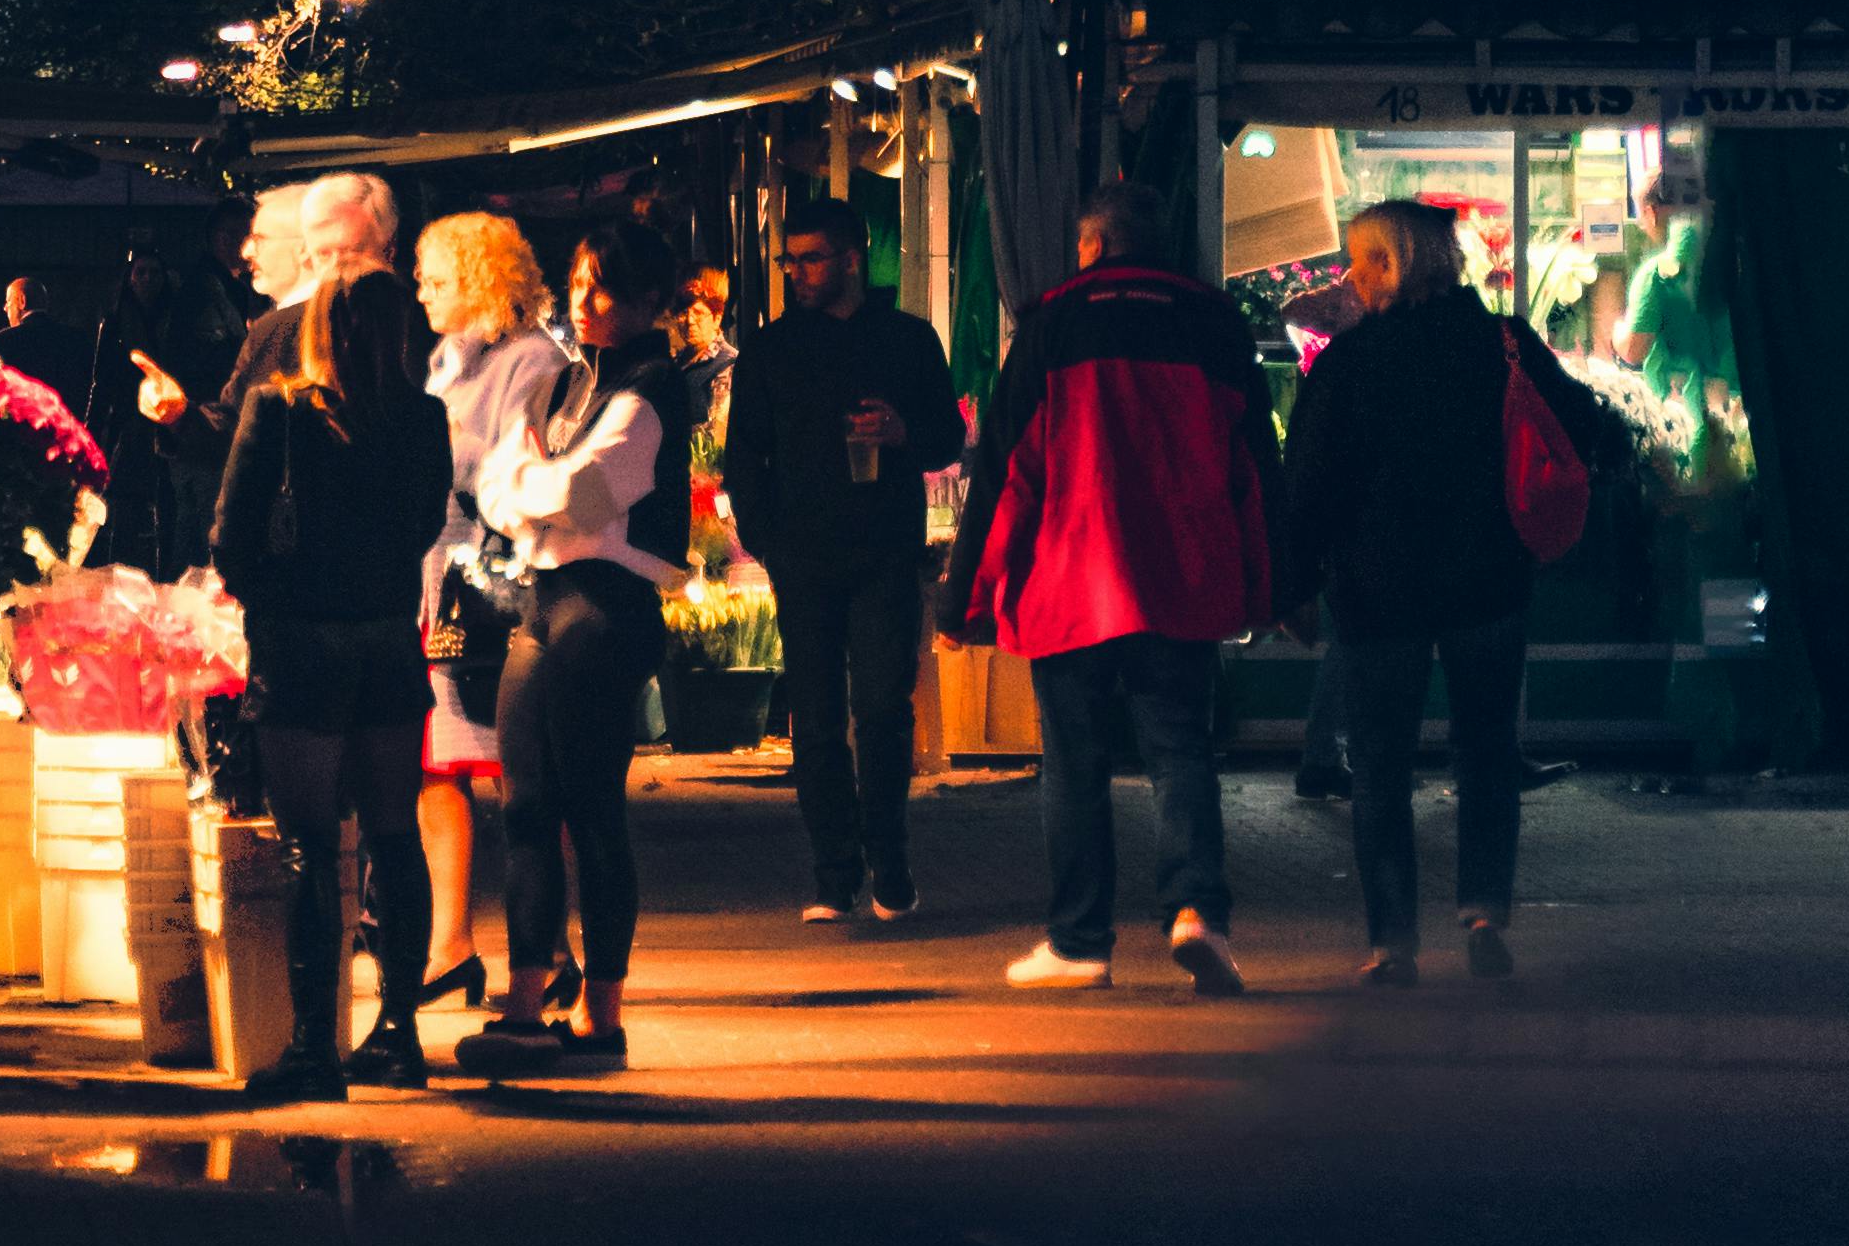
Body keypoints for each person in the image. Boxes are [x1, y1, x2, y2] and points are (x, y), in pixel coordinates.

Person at [946, 174, 1279, 1000]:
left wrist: (964, 597)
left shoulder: (1052, 321)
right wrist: (1273, 584)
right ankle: (1199, 912)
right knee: (1179, 751)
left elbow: (1005, 473)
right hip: (1181, 576)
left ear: (1090, 245)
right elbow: (1254, 466)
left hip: (1072, 578)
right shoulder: (1211, 321)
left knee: (1075, 762)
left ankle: (1079, 940)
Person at [1279, 194, 1584, 981]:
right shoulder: (1503, 344)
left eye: (1358, 258)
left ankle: (1392, 941)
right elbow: (1584, 429)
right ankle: (1483, 910)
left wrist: (1290, 584)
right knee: (1485, 750)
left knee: (1380, 764)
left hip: (1378, 593)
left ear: (1390, 263)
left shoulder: (1349, 362)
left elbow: (1307, 484)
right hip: (1487, 583)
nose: (1350, 275)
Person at [205, 171, 453, 1091]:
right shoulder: (422, 417)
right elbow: (426, 524)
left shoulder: (280, 409)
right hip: (387, 639)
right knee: (394, 834)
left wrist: (271, 595)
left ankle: (314, 1044)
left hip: (301, 642)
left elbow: (229, 533)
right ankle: (399, 1032)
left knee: (312, 844)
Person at [457, 205, 695, 1074]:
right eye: (579, 280)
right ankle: (524, 1003)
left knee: (590, 809)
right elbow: (494, 482)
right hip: (540, 600)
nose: (585, 299)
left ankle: (603, 1013)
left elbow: (590, 494)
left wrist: (529, 487)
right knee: (523, 805)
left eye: (607, 286)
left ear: (649, 299)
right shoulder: (562, 384)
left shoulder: (653, 387)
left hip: (606, 609)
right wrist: (532, 487)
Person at [721, 194, 966, 926]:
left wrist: (902, 431)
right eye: (789, 259)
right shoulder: (770, 348)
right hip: (802, 555)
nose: (797, 271)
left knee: (884, 709)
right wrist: (767, 538)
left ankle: (890, 865)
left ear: (852, 257)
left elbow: (947, 440)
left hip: (885, 551)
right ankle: (833, 873)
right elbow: (743, 456)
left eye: (811, 257)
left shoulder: (906, 339)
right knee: (817, 719)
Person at [411, 209, 563, 1023]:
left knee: (518, 767)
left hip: (494, 580)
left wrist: (433, 448)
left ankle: (551, 947)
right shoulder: (450, 357)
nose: (421, 290)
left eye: (435, 278)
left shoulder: (532, 357)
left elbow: (516, 464)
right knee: (435, 763)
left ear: (475, 280)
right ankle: (450, 943)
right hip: (441, 573)